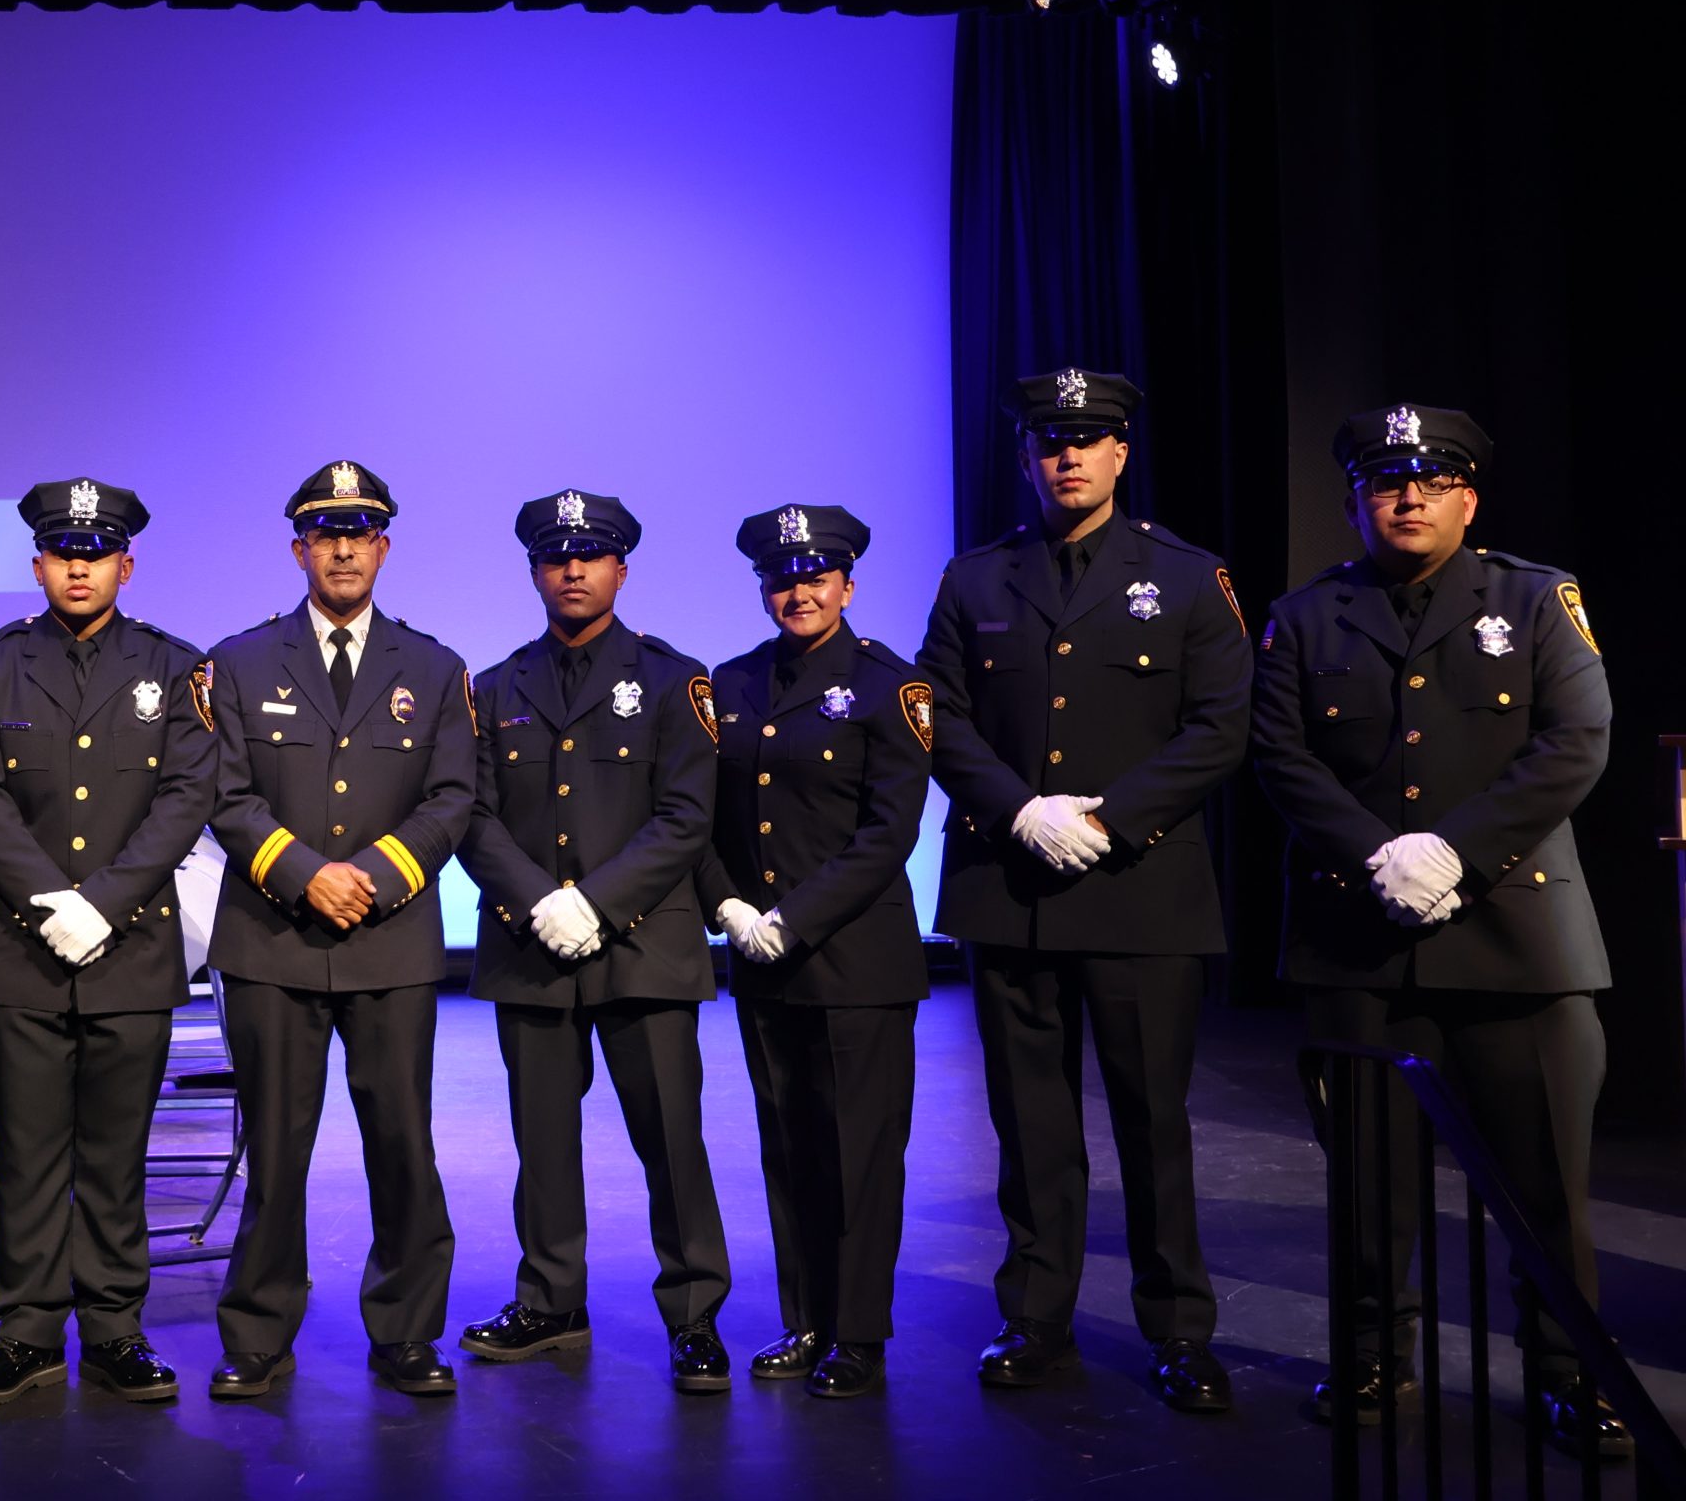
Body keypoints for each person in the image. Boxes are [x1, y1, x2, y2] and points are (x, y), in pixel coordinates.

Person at [1252, 404, 1628, 1458]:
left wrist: (1455, 851)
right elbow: (1280, 756)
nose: (1406, 498)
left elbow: (1575, 741)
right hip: (1359, 934)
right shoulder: (1304, 614)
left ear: (1469, 496)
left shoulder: (1535, 597)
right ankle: (1373, 1352)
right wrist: (1380, 853)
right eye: (1385, 482)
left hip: (1518, 940)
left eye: (1429, 480)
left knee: (1546, 1184)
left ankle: (1571, 1374)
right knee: (1368, 1180)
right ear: (1354, 500)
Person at [912, 368, 1245, 1413]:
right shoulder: (977, 580)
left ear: (1120, 455)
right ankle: (1036, 1318)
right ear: (1026, 457)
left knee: (1155, 1121)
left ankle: (1180, 1330)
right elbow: (935, 713)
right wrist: (1020, 809)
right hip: (1011, 886)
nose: (1067, 456)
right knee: (1031, 1124)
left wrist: (1111, 817)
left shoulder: (1187, 577)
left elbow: (1221, 725)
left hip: (1141, 890)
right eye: (1049, 442)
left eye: (1087, 440)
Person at [0, 479, 218, 1406]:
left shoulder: (177, 668)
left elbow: (186, 795)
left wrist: (103, 903)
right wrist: (50, 899)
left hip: (129, 942)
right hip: (19, 941)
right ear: (38, 565)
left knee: (115, 1148)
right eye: (63, 552)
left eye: (96, 553)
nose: (79, 566)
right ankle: (26, 1331)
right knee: (27, 1146)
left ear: (124, 566)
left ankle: (113, 1327)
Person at [202, 460, 475, 1400]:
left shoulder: (435, 667)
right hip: (272, 939)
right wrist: (302, 873)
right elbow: (223, 795)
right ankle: (259, 1335)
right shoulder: (238, 661)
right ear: (300, 551)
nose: (344, 549)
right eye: (327, 535)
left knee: (402, 1139)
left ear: (384, 549)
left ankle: (406, 1330)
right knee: (276, 1147)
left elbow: (452, 798)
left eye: (360, 534)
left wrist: (377, 876)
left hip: (389, 941)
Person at [456, 489, 731, 1392]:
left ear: (621, 568)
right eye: (555, 557)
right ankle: (550, 1300)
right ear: (535, 569)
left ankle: (694, 1316)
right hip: (530, 944)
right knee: (542, 1141)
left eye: (591, 555)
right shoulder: (492, 688)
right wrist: (542, 902)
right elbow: (472, 818)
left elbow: (687, 818)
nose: (572, 569)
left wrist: (599, 905)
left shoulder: (671, 676)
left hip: (645, 947)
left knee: (671, 1140)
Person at [705, 505, 931, 1401]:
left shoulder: (889, 686)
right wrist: (725, 902)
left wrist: (792, 917)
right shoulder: (730, 683)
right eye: (781, 579)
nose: (797, 591)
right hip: (761, 960)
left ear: (847, 584)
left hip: (854, 959)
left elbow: (887, 836)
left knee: (860, 1153)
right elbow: (707, 813)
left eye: (815, 576)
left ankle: (860, 1334)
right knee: (790, 1146)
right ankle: (806, 1319)